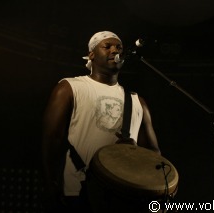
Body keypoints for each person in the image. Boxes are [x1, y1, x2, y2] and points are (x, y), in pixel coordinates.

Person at [41, 31, 161, 213]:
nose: (115, 50)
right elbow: (52, 139)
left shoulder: (138, 102)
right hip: (80, 192)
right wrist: (50, 184)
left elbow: (154, 153)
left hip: (126, 196)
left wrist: (134, 152)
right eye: (107, 46)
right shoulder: (69, 88)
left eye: (119, 47)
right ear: (91, 54)